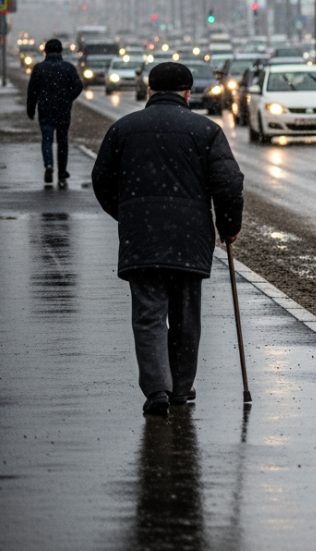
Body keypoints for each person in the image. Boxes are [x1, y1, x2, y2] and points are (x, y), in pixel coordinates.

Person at [91, 62, 245, 416]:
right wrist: (227, 224)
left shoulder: (123, 129)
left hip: (141, 237)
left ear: (149, 91)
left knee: (148, 315)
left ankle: (156, 389)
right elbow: (228, 183)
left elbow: (102, 179)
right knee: (186, 316)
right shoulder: (206, 130)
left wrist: (129, 213)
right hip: (190, 238)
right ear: (188, 93)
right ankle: (179, 387)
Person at [25, 38, 84, 186]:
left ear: (45, 51)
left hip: (45, 110)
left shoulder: (39, 68)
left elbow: (32, 91)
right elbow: (78, 86)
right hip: (63, 110)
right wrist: (68, 98)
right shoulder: (68, 67)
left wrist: (31, 109)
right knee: (62, 141)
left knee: (47, 139)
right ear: (60, 51)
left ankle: (49, 165)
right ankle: (62, 173)